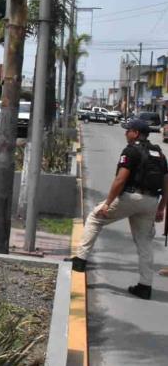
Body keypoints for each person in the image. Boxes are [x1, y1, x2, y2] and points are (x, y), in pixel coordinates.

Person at [70, 118, 168, 300]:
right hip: (151, 201)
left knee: (95, 217)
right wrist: (161, 208)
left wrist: (107, 203)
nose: (125, 133)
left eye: (128, 130)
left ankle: (80, 260)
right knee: (144, 242)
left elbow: (120, 180)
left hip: (131, 197)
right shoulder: (159, 154)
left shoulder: (131, 151)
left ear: (136, 133)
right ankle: (145, 287)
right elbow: (166, 182)